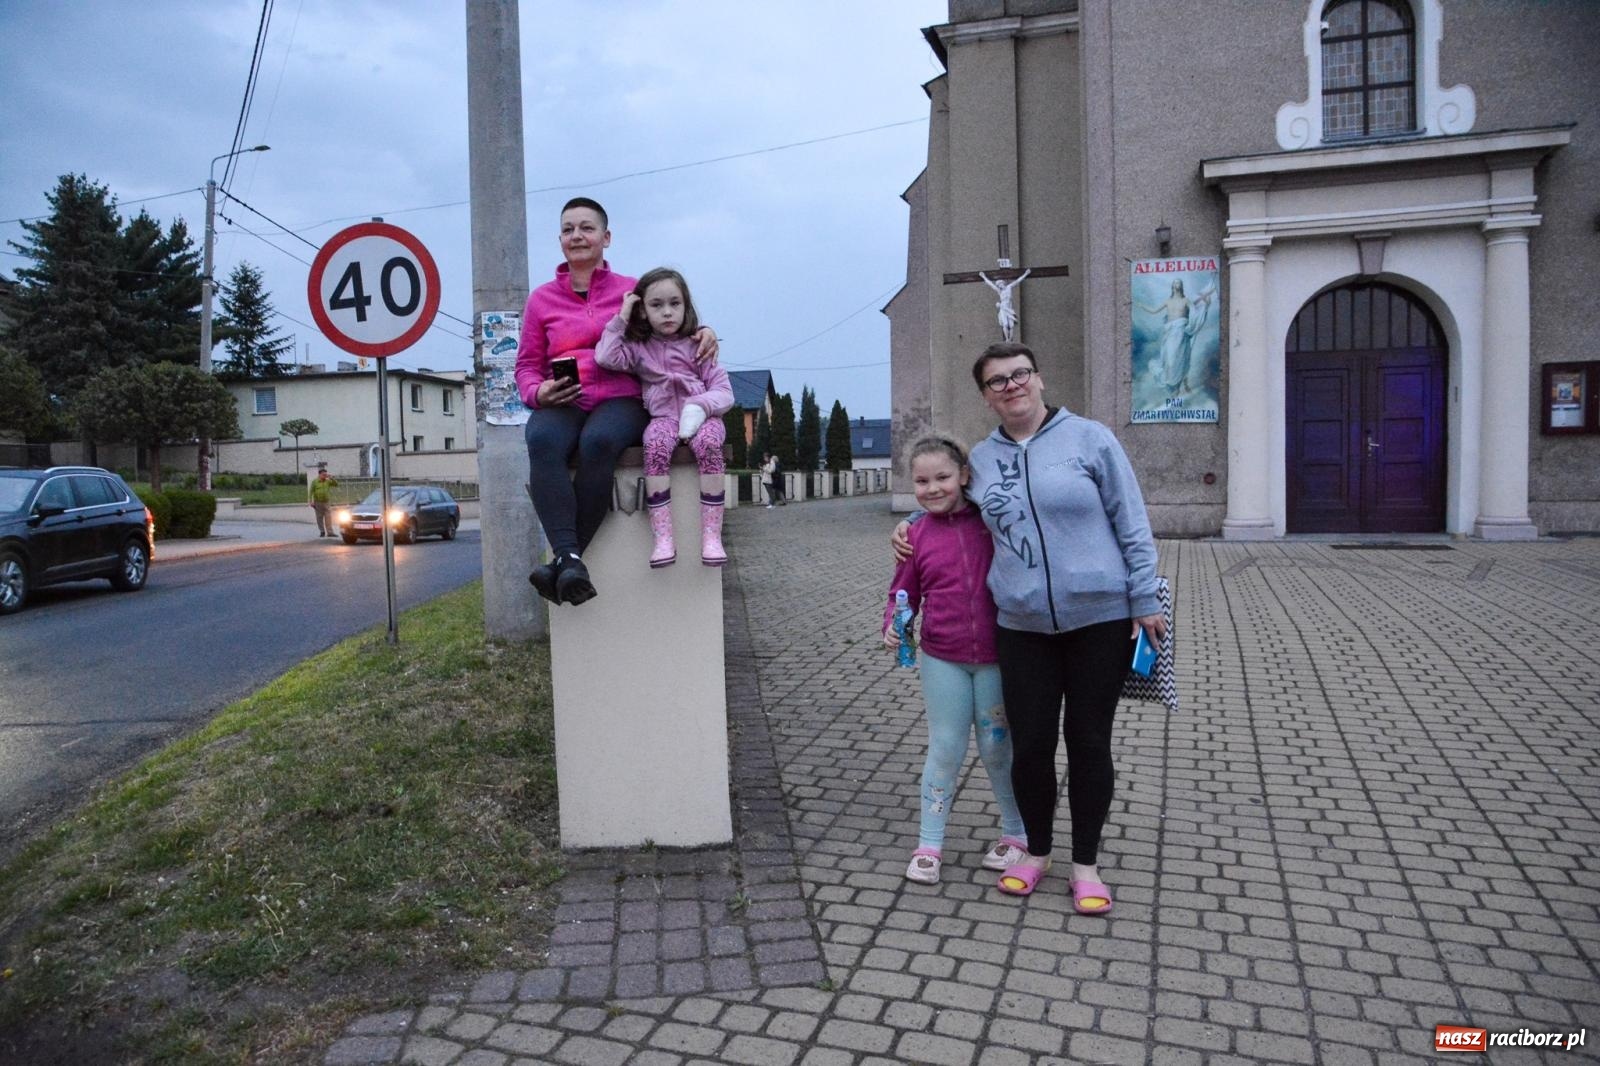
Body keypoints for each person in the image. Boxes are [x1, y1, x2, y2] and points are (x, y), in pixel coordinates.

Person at [891, 342, 1166, 914]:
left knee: (1088, 742)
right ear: (986, 396)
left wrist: (1144, 596)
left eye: (1020, 375)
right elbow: (945, 503)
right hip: (1019, 626)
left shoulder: (1091, 440)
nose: (1011, 386)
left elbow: (1131, 519)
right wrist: (907, 528)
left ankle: (1085, 865)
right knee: (1031, 745)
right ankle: (1036, 852)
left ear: (1039, 380)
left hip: (1101, 619)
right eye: (997, 381)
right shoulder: (983, 460)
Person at [516, 198, 717, 605]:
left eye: (587, 228)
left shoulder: (631, 290)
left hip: (622, 396)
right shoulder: (541, 300)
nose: (578, 235)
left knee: (599, 443)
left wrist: (705, 331)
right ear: (560, 241)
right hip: (565, 398)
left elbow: (671, 320)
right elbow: (526, 366)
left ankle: (564, 560)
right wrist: (539, 393)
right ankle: (570, 560)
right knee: (541, 441)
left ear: (605, 238)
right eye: (569, 229)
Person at [882, 436, 1027, 885]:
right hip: (941, 658)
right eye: (921, 481)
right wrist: (894, 623)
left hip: (996, 658)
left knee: (997, 748)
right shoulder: (915, 535)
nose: (932, 488)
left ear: (964, 475)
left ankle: (1017, 835)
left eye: (942, 477)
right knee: (945, 747)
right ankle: (929, 843)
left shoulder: (992, 522)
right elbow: (904, 591)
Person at [595, 267, 734, 567]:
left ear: (686, 306)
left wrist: (700, 406)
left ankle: (712, 537)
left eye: (675, 303)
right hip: (663, 418)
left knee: (710, 445)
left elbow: (724, 392)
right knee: (654, 447)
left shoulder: (699, 345)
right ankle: (663, 539)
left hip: (704, 418)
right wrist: (622, 316)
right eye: (656, 305)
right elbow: (605, 357)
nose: (667, 312)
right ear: (643, 311)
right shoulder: (638, 348)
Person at [1135, 277, 1214, 394]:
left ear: (1181, 286)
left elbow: (1195, 312)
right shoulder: (1168, 301)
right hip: (1169, 332)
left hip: (1180, 331)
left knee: (1178, 358)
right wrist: (1141, 306)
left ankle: (1177, 385)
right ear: (1172, 286)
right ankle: (1172, 384)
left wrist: (1206, 306)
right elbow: (1154, 310)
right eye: (1175, 283)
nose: (1177, 284)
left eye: (1179, 283)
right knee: (1168, 358)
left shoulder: (1186, 300)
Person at [308, 467, 338, 537]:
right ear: (319, 475)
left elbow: (336, 484)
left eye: (326, 475)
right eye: (323, 475)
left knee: (328, 517)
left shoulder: (327, 481)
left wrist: (331, 478)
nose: (325, 476)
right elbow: (311, 491)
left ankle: (330, 532)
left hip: (326, 502)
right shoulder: (315, 482)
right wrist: (310, 501)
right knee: (319, 517)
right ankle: (322, 531)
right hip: (318, 502)